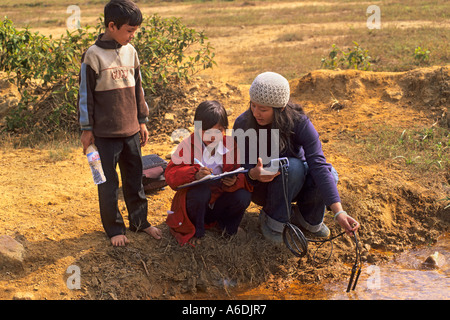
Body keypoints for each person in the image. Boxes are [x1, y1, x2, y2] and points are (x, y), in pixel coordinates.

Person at [233, 71, 359, 244]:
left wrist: (339, 212)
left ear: (281, 108)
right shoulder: (243, 124)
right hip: (264, 188)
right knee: (292, 167)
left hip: (294, 183)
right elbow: (242, 169)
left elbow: (318, 164)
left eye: (263, 109)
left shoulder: (299, 123)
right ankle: (272, 222)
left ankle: (307, 221)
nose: (256, 113)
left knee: (330, 173)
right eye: (253, 106)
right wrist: (254, 174)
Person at [78, 0, 162, 246]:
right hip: (104, 135)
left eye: (135, 31)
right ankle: (114, 229)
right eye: (129, 30)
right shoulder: (92, 56)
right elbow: (85, 97)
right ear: (111, 26)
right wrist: (87, 130)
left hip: (131, 131)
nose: (132, 35)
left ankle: (140, 222)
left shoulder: (131, 52)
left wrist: (142, 122)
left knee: (134, 179)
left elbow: (139, 90)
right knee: (107, 183)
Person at [165, 100, 253, 245]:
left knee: (243, 195)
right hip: (195, 204)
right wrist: (194, 174)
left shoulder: (230, 146)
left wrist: (233, 181)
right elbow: (171, 175)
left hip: (218, 202)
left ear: (224, 129)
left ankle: (228, 228)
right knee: (202, 191)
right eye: (206, 131)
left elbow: (240, 173)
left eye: (218, 131)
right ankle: (197, 231)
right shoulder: (188, 145)